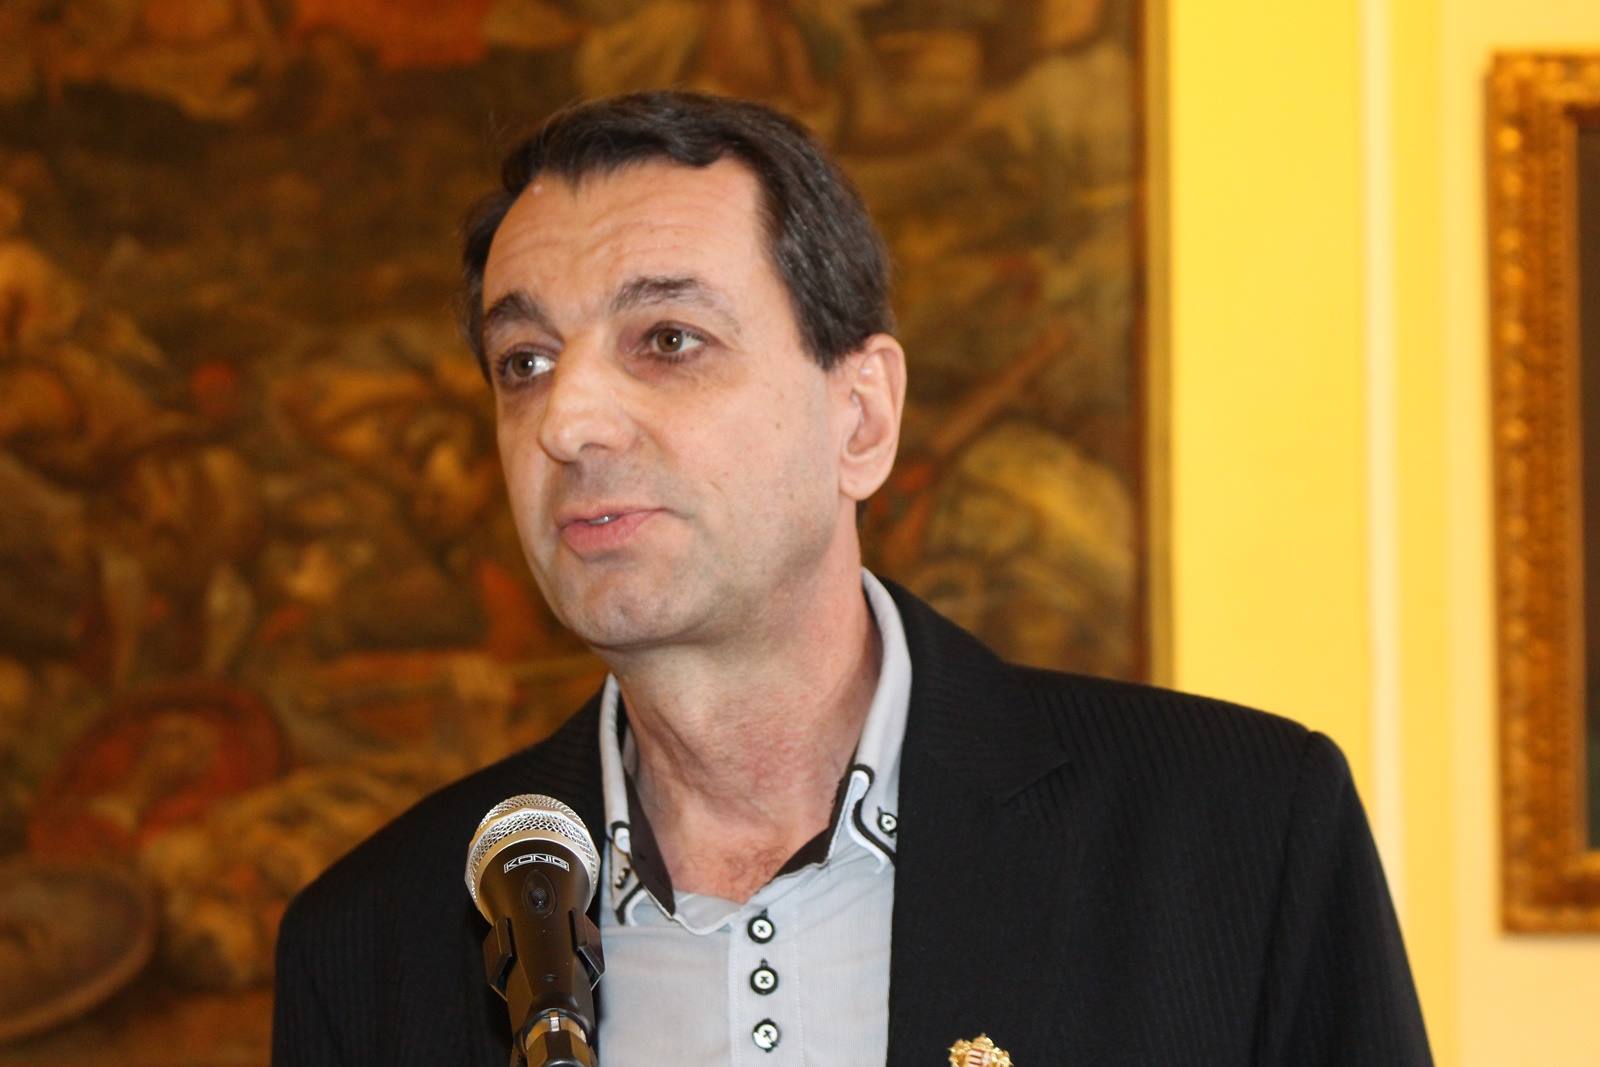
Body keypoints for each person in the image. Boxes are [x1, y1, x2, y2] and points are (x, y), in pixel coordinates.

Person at [272, 91, 1432, 1066]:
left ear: (861, 417)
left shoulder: (1237, 838)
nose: (567, 420)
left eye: (667, 339)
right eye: (523, 361)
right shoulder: (374, 943)